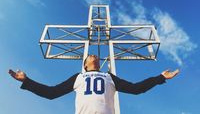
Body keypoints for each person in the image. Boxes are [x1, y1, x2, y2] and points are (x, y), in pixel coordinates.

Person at [9, 54, 179, 114]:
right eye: (90, 56)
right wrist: (27, 81)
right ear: (85, 65)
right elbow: (51, 93)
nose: (94, 56)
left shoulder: (109, 76)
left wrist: (160, 78)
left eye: (95, 56)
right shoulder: (78, 77)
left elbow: (136, 89)